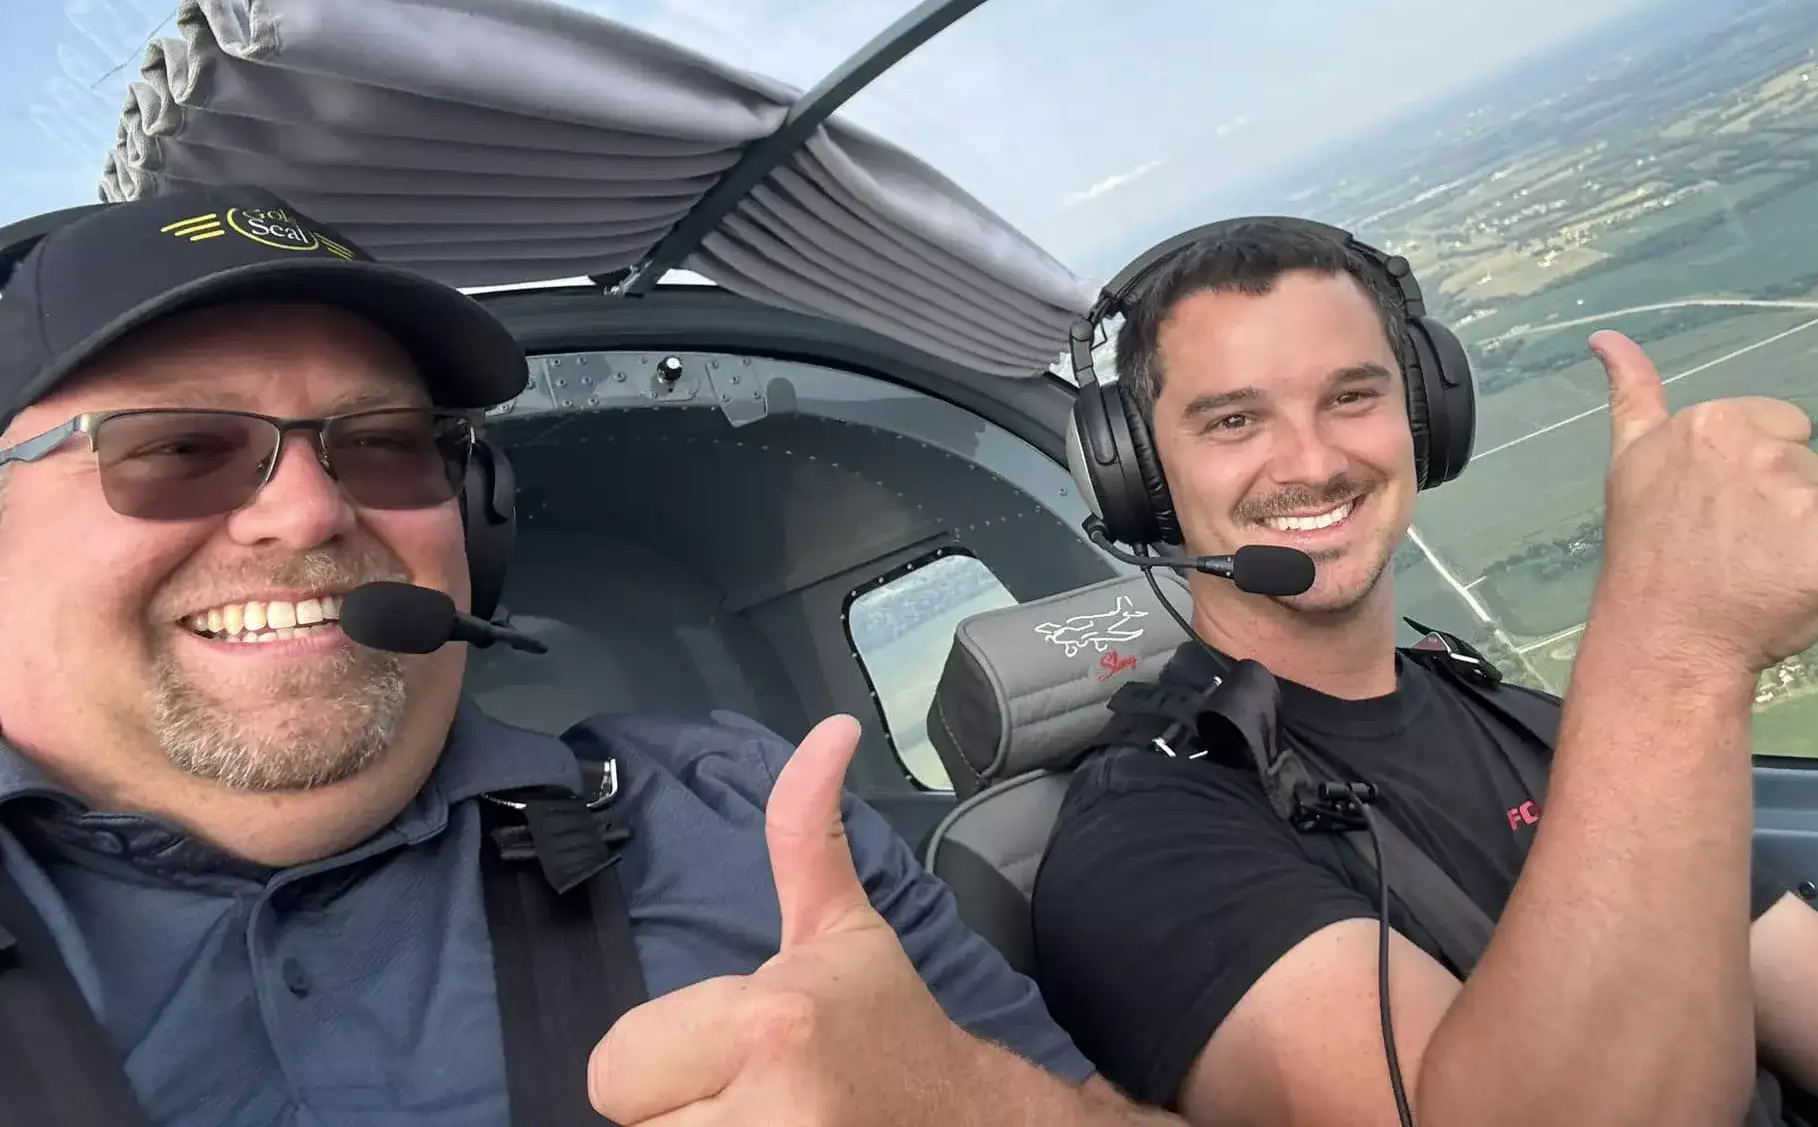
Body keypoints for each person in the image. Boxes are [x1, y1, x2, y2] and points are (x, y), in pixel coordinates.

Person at [0, 186, 1168, 1127]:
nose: (308, 514)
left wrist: (984, 1115)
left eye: (386, 443)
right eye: (180, 448)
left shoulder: (743, 824)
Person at [1030, 219, 1818, 1127]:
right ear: (1139, 479)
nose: (1310, 461)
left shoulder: (1533, 728)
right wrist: (1672, 643)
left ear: (1425, 419)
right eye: (1232, 421)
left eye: (1351, 396)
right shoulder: (1143, 842)